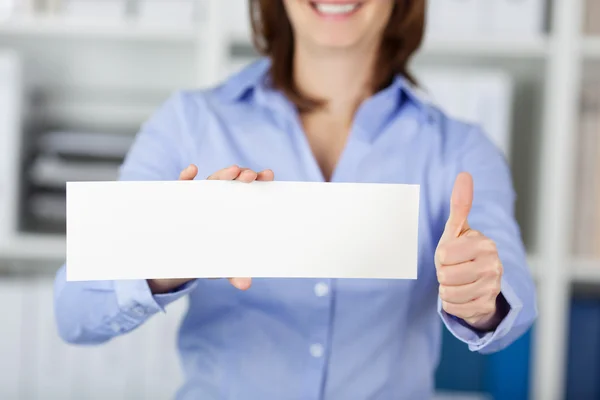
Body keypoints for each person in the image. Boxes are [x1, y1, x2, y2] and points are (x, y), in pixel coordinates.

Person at [54, 0, 537, 398]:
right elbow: (74, 309)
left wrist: (481, 299)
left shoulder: (460, 147)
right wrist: (168, 256)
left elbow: (515, 306)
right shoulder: (189, 123)